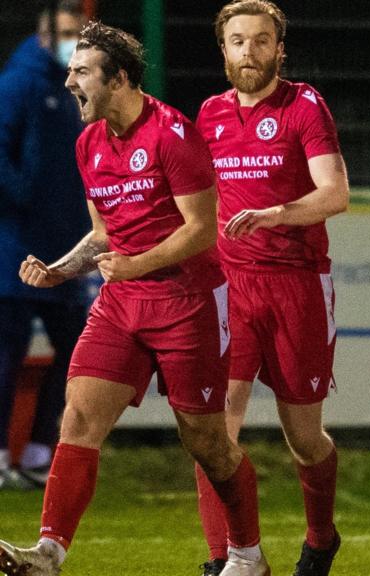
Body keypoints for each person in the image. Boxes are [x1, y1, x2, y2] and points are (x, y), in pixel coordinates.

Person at [0, 21, 269, 576]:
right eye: (71, 70)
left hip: (189, 303)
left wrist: (136, 265)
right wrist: (58, 271)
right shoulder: (88, 142)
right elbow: (103, 234)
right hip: (122, 305)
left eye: (81, 72)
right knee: (77, 418)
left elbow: (201, 229)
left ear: (118, 78)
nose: (70, 81)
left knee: (206, 442)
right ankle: (48, 555)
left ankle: (248, 556)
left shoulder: (173, 135)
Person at [192, 2, 349, 575]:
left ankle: (321, 536)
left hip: (297, 286)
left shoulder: (304, 106)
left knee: (305, 437)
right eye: (238, 42)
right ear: (224, 50)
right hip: (231, 289)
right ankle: (229, 557)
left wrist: (276, 213)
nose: (249, 52)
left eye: (261, 42)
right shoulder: (208, 115)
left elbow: (335, 193)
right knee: (213, 427)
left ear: (279, 50)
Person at [0, 0, 88, 491]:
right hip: (14, 248)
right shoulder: (18, 83)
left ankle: (36, 454)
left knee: (77, 351)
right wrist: (25, 201)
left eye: (80, 32)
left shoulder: (78, 88)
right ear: (45, 34)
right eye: (68, 32)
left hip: (66, 252)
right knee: (4, 355)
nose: (75, 40)